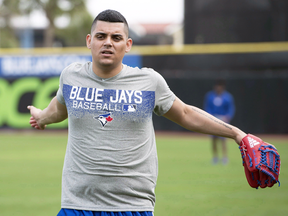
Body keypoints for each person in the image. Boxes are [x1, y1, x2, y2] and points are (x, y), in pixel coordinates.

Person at [27, 9, 246, 216]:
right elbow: (58, 108)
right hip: (76, 205)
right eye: (101, 36)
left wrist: (237, 134)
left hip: (132, 206)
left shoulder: (149, 82)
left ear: (128, 44)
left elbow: (186, 114)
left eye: (116, 38)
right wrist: (41, 117)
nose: (108, 43)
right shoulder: (70, 77)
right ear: (89, 41)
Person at [204, 80, 235, 165]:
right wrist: (209, 117)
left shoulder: (228, 97)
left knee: (223, 139)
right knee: (213, 139)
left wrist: (227, 117)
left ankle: (225, 157)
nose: (218, 88)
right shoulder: (210, 96)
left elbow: (230, 109)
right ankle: (215, 157)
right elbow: (208, 108)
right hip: (213, 119)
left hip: (223, 120)